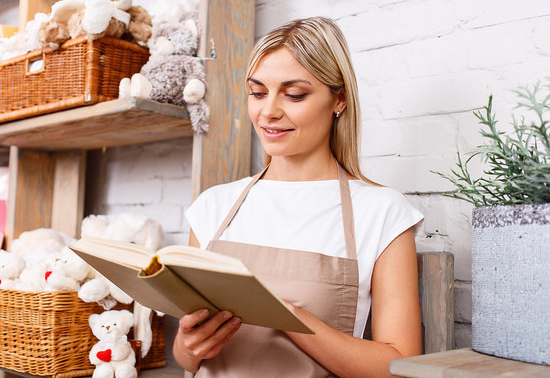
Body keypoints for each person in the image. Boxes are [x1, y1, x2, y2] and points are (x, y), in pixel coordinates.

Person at [174, 16, 423, 377]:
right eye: (258, 93)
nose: (269, 111)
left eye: (294, 94)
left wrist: (290, 318)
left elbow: (399, 366)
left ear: (339, 100)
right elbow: (187, 360)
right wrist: (188, 345)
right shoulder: (213, 207)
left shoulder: (383, 213)